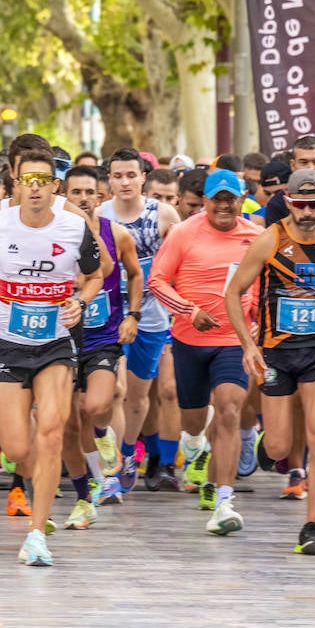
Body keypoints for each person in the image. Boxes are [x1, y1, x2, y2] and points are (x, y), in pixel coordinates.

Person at [0, 149, 100, 566]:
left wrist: (80, 301)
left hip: (56, 343)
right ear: (15, 184)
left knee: (52, 431)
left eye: (43, 180)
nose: (35, 188)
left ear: (55, 186)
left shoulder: (75, 228)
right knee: (17, 447)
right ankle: (44, 480)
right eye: (27, 180)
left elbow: (95, 274)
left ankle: (37, 533)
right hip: (7, 342)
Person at [226, 169, 315, 554]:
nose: (307, 211)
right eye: (300, 204)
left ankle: (312, 527)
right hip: (275, 351)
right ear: (288, 203)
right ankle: (265, 442)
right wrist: (248, 345)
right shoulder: (270, 240)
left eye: (314, 204)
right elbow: (234, 293)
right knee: (278, 448)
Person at [149, 169, 262, 537]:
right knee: (194, 422)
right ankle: (194, 443)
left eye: (232, 198)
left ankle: (224, 501)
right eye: (218, 199)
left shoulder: (257, 238)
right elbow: (157, 280)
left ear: (242, 200)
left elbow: (266, 285)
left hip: (234, 340)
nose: (225, 205)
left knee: (229, 409)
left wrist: (257, 321)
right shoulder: (185, 233)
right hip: (189, 341)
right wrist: (189, 312)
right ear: (208, 200)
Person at [64, 165, 143, 522]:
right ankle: (91, 488)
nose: (82, 199)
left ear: (101, 197)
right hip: (62, 338)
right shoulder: (52, 233)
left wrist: (133, 314)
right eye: (74, 193)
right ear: (63, 196)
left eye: (88, 193)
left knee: (97, 405)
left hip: (103, 336)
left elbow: (129, 272)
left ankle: (102, 434)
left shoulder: (117, 234)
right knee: (69, 417)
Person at [101, 148, 181, 492]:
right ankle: (112, 464)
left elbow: (183, 264)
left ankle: (127, 449)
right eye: (118, 176)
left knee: (136, 397)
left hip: (152, 317)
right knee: (114, 392)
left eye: (131, 175)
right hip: (108, 316)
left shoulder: (164, 215)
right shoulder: (99, 215)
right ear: (109, 180)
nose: (125, 182)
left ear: (143, 177)